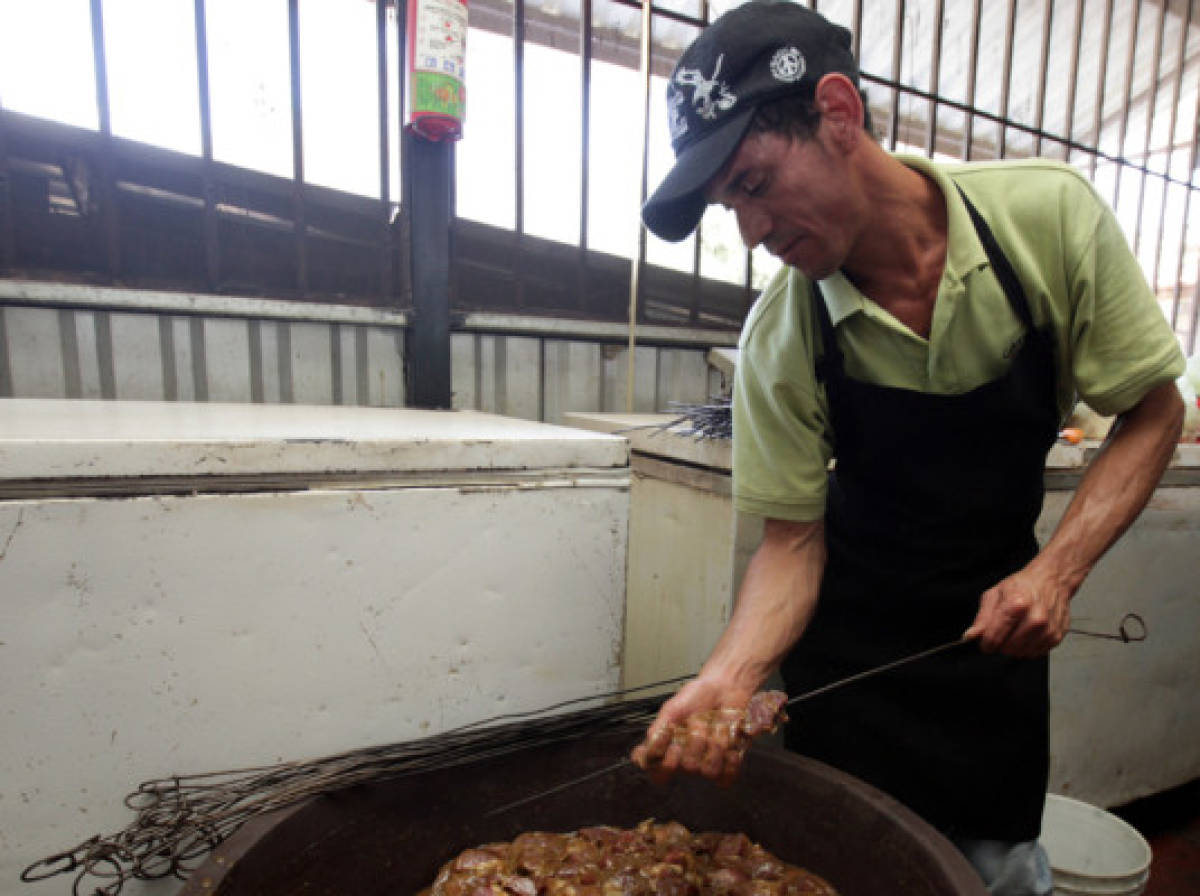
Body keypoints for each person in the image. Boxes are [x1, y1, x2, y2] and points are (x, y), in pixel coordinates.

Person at [631, 2, 1186, 894]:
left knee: (997, 873)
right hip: (848, 669)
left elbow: (1152, 411)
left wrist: (1057, 574)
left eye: (756, 183)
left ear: (838, 113)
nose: (751, 231)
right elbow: (791, 543)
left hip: (994, 654)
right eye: (731, 205)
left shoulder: (1046, 221)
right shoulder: (783, 334)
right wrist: (730, 677)